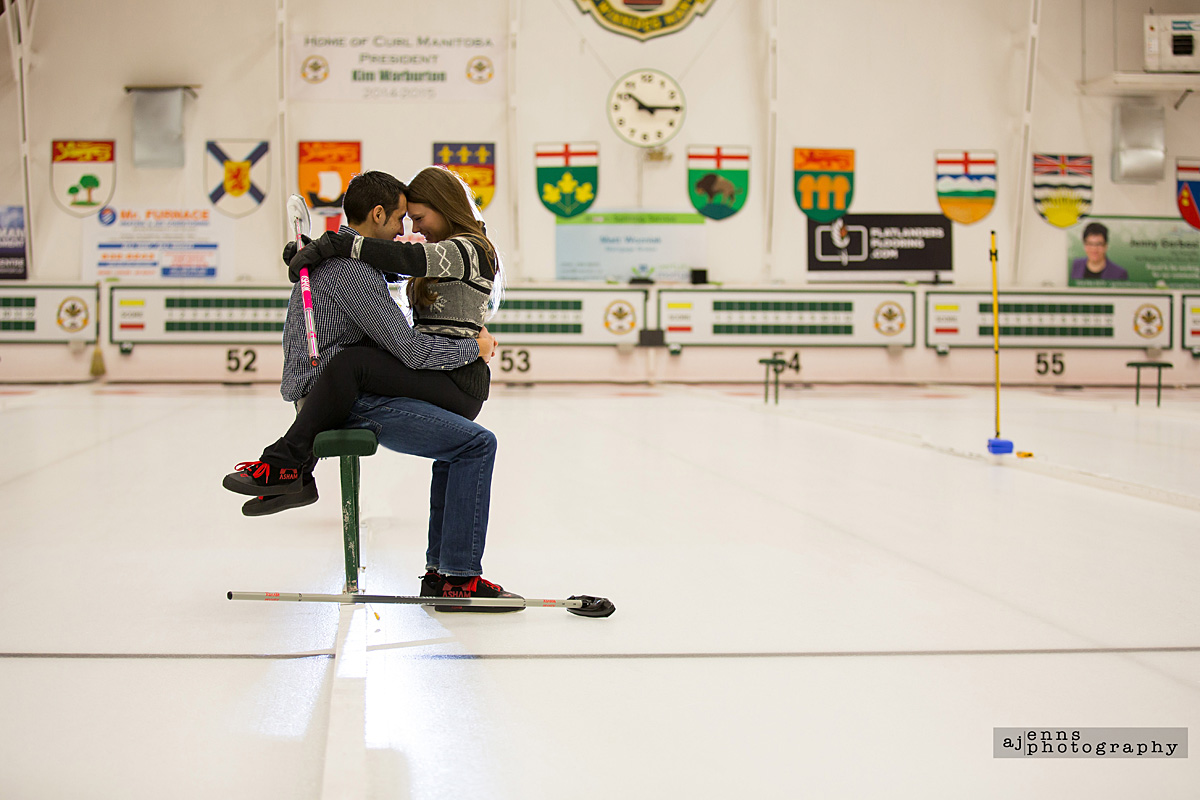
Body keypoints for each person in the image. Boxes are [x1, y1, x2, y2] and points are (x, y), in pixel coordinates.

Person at [224, 168, 522, 611]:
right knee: (461, 440)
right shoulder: (359, 271)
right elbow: (400, 294)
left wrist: (330, 245)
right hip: (375, 386)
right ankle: (451, 576)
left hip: (451, 378)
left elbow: (401, 265)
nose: (410, 230)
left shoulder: (464, 249)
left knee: (359, 365)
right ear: (380, 213)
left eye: (417, 218)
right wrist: (322, 248)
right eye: (404, 218)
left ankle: (289, 465)